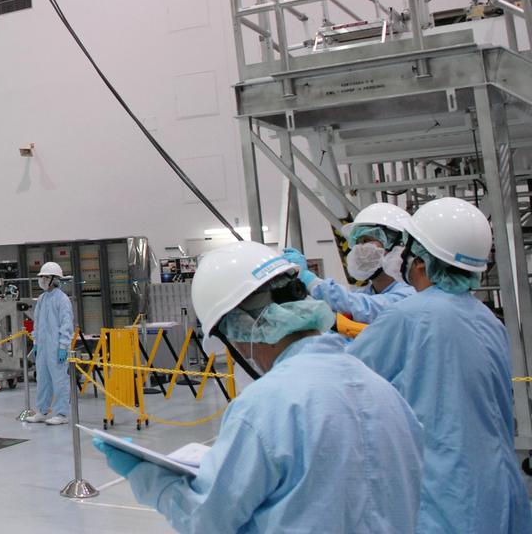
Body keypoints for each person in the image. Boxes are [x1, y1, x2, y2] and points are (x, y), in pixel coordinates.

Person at [95, 241, 424, 533]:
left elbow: (205, 519)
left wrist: (147, 475)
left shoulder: (266, 406)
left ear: (240, 326)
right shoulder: (381, 387)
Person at [348, 197, 532, 534]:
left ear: (421, 262)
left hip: (444, 496)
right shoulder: (488, 318)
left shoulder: (410, 316)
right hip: (499, 488)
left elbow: (344, 379)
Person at [282, 202, 415, 324]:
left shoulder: (411, 293)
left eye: (367, 240)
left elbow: (368, 308)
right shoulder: (365, 294)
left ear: (398, 245)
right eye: (357, 242)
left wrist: (309, 279)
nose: (359, 249)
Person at [26, 261, 73, 425]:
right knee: (43, 379)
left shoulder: (62, 300)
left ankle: (62, 414)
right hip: (43, 347)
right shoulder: (42, 299)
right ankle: (42, 410)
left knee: (59, 380)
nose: (43, 280)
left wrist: (63, 347)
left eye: (46, 277)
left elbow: (66, 325)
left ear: (54, 279)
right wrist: (36, 343)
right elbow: (37, 324)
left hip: (56, 348)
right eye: (42, 277)